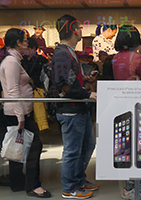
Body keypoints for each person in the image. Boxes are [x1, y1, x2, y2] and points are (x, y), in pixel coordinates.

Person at [0, 28, 51, 198]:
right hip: (18, 114)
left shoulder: (13, 60)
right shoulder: (11, 62)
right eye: (24, 39)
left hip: (18, 112)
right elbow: (13, 91)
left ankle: (18, 183)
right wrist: (21, 117)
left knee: (18, 148)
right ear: (17, 43)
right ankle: (33, 186)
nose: (27, 42)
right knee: (34, 148)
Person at [53, 14, 98, 199]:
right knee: (72, 151)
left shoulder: (68, 51)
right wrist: (87, 93)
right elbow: (63, 84)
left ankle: (78, 180)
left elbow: (68, 80)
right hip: (71, 110)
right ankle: (69, 188)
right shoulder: (63, 53)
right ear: (72, 29)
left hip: (79, 109)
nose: (81, 30)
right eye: (79, 27)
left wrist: (85, 81)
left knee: (87, 145)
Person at [113, 24, 141, 200]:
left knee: (124, 146)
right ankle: (132, 188)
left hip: (118, 106)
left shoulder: (114, 59)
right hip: (136, 105)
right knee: (137, 147)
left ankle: (128, 185)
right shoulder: (138, 58)